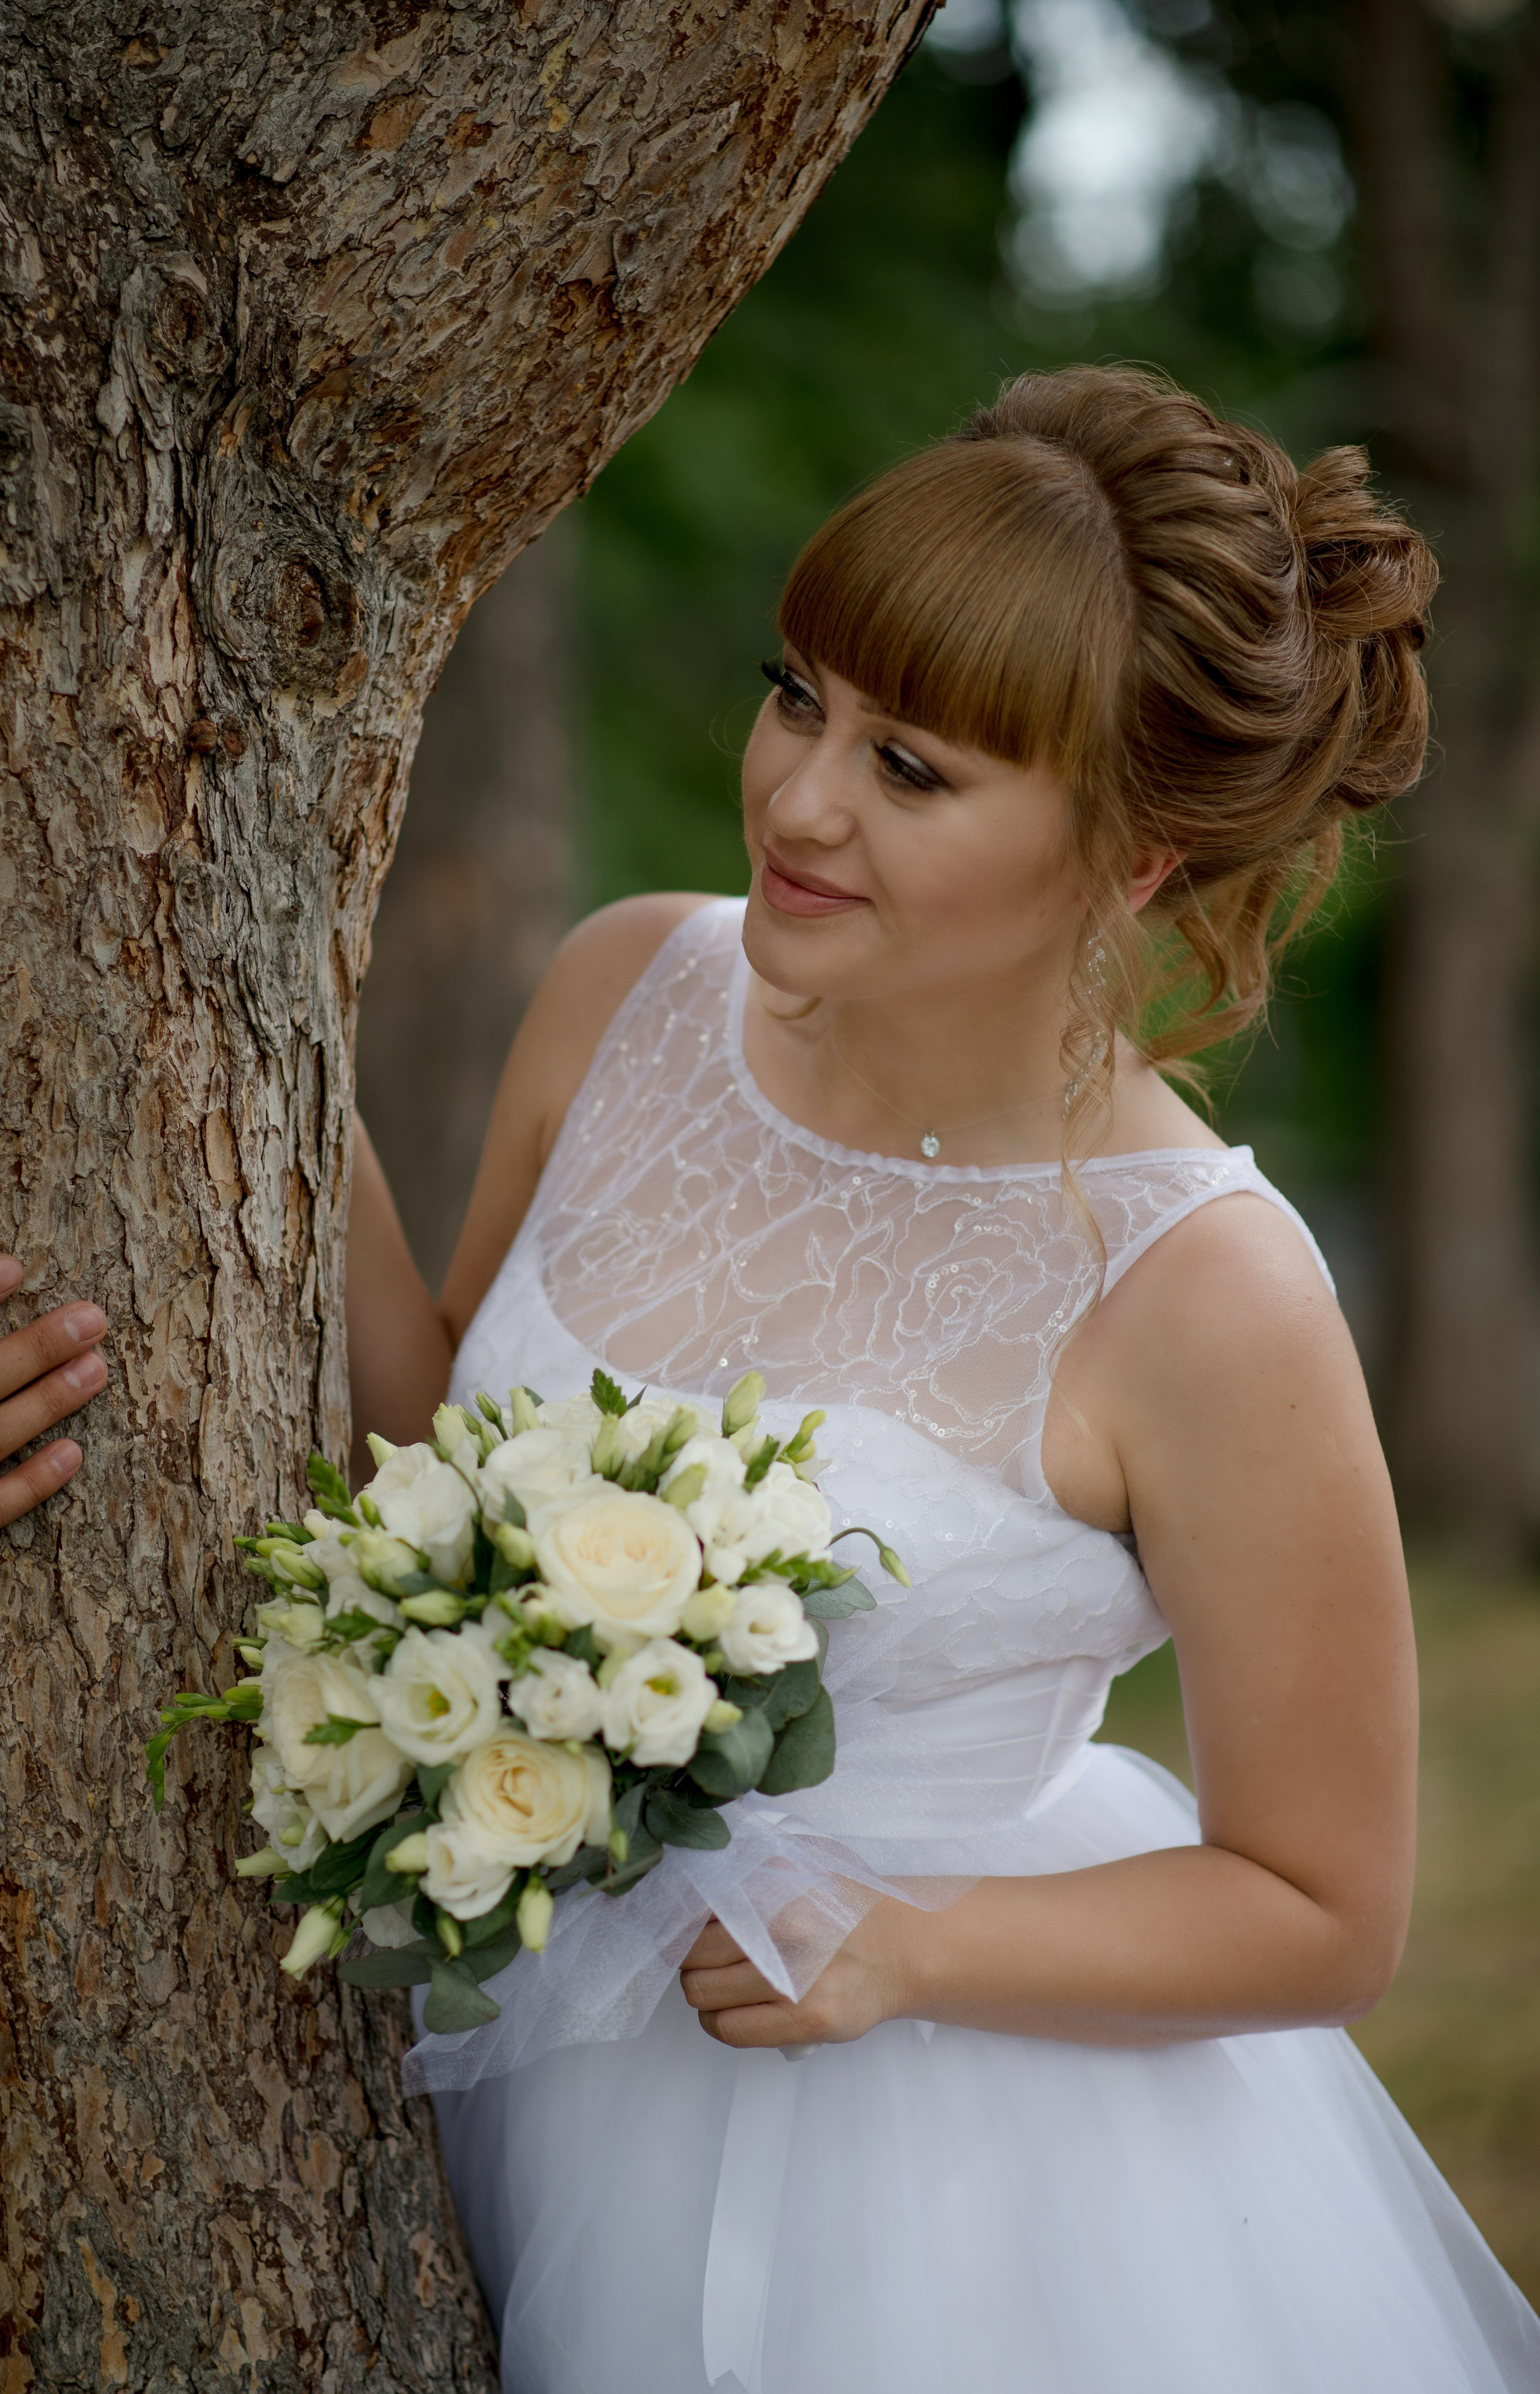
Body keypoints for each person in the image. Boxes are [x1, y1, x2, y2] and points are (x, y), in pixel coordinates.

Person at [10, 366, 1536, 2391]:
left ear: (1142, 854)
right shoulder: (631, 981)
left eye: (913, 769)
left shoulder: (1210, 1293)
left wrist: (910, 1947)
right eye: (797, 693)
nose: (801, 796)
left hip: (920, 2160)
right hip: (477, 2053)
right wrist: (230, 1075)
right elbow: (425, 1444)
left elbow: (1327, 1900)